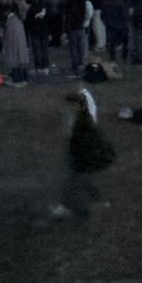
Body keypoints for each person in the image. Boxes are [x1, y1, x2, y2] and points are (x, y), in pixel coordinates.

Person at [52, 87, 115, 218]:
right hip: (85, 155)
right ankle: (97, 201)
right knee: (81, 178)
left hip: (83, 155)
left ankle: (65, 207)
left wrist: (75, 153)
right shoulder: (84, 118)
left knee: (74, 180)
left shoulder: (81, 122)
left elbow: (81, 140)